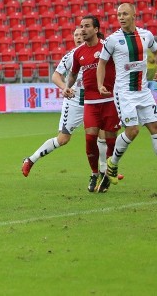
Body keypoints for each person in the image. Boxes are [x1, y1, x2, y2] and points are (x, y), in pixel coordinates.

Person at [98, 3, 157, 187]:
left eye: (125, 14)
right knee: (132, 130)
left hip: (143, 91)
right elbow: (102, 63)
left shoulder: (146, 35)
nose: (121, 17)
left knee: (156, 127)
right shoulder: (112, 40)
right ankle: (113, 163)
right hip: (124, 93)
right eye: (119, 14)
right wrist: (101, 84)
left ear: (134, 15)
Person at [22, 29, 115, 186]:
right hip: (74, 102)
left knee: (102, 135)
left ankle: (103, 172)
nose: (79, 37)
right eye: (76, 35)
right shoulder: (72, 55)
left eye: (81, 34)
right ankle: (31, 159)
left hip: (94, 101)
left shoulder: (101, 51)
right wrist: (64, 87)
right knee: (63, 139)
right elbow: (55, 76)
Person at [65, 15, 120, 193]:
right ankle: (94, 173)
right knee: (90, 139)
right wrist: (67, 87)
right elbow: (73, 74)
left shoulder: (107, 47)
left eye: (87, 26)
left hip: (110, 100)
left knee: (111, 141)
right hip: (90, 102)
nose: (82, 30)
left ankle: (108, 173)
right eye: (81, 26)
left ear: (96, 29)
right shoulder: (78, 52)